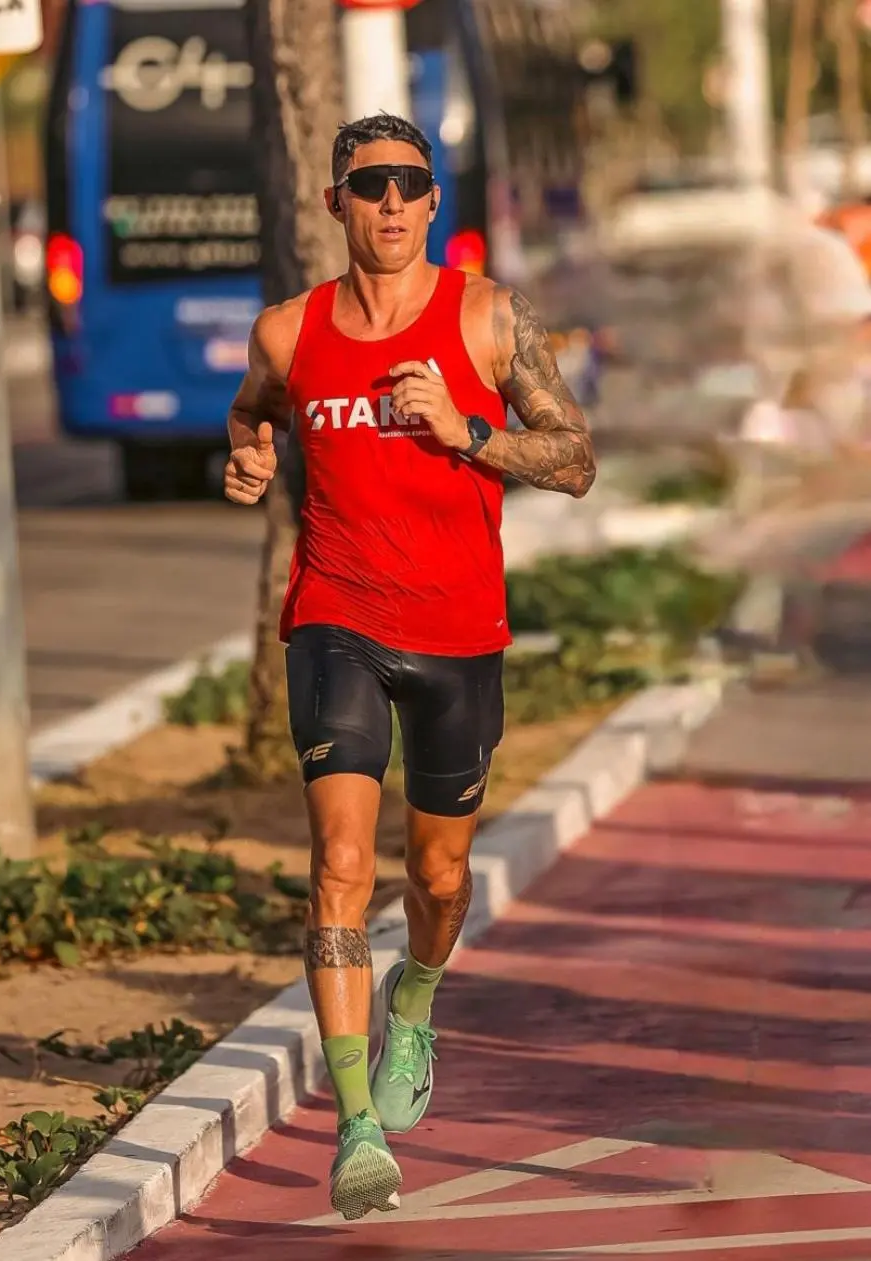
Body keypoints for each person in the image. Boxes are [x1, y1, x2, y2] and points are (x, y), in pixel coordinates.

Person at [224, 113, 595, 1221]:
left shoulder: (487, 318)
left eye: (411, 184)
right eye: (369, 184)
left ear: (437, 203)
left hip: (459, 635)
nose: (391, 202)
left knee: (435, 880)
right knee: (339, 860)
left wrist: (466, 434)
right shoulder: (288, 333)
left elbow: (575, 458)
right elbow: (252, 416)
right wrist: (245, 455)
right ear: (336, 203)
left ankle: (417, 1000)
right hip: (334, 616)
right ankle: (357, 1127)